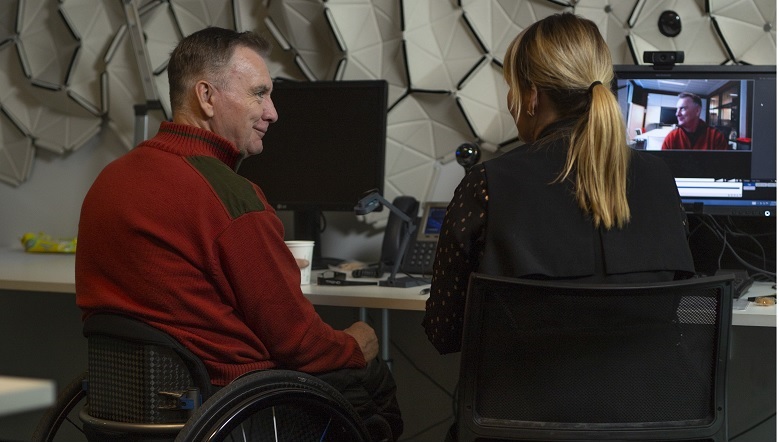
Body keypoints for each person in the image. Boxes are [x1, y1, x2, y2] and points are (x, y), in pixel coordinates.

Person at [75, 27, 402, 440]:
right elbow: (298, 343)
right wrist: (355, 344)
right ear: (207, 97)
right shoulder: (230, 197)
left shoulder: (109, 180)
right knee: (372, 378)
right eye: (258, 94)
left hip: (134, 406)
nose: (272, 112)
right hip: (235, 407)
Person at [422, 13, 696, 355]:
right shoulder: (660, 178)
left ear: (532, 95)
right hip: (649, 403)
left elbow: (443, 331)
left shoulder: (486, 184)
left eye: (511, 87)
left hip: (516, 404)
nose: (510, 102)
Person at [661, 92, 729, 150]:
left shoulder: (716, 137)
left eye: (682, 108)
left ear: (697, 111)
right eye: (677, 109)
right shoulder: (671, 138)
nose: (677, 114)